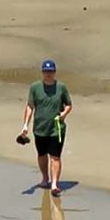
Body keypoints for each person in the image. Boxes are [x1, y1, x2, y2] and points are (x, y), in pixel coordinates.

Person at [19, 59, 72, 195]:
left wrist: (63, 114)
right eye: (46, 71)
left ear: (55, 72)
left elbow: (69, 105)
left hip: (56, 128)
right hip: (40, 128)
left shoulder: (61, 87)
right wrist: (25, 125)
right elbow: (30, 106)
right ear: (42, 72)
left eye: (51, 71)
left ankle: (54, 184)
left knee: (55, 156)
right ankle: (45, 178)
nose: (49, 74)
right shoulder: (35, 88)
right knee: (42, 155)